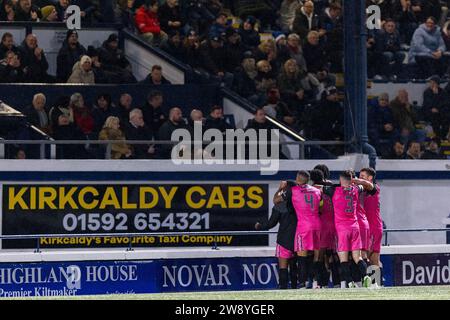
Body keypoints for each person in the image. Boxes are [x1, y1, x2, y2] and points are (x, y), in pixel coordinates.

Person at [273, 171, 322, 289]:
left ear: (297, 178)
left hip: (303, 227)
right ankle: (317, 283)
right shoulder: (317, 191)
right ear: (308, 180)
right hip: (317, 225)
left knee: (302, 258)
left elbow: (276, 200)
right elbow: (321, 205)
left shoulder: (292, 191)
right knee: (316, 257)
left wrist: (280, 188)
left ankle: (302, 284)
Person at [323, 170, 372, 288]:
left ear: (340, 180)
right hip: (354, 227)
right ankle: (366, 276)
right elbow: (367, 185)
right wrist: (355, 181)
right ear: (351, 180)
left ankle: (350, 283)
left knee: (343, 260)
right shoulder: (356, 189)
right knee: (358, 257)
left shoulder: (333, 190)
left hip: (342, 229)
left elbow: (317, 187)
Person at [255, 201, 298, 290]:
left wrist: (259, 226)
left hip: (284, 240)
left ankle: (283, 289)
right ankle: (295, 289)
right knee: (294, 266)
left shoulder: (280, 206)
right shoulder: (299, 203)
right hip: (298, 239)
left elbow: (271, 223)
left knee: (283, 267)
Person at [358, 168, 383, 277]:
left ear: (370, 178)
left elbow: (364, 183)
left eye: (362, 176)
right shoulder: (362, 190)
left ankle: (371, 282)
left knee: (365, 256)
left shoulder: (374, 188)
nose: (360, 178)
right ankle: (376, 284)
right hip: (373, 226)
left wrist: (350, 179)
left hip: (373, 227)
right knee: (373, 259)